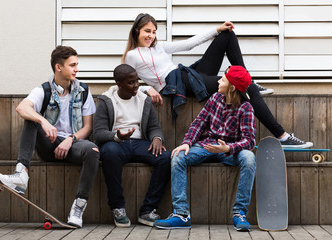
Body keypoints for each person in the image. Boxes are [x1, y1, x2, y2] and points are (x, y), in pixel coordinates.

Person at [122, 13, 312, 148]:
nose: (151, 36)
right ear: (137, 30)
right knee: (248, 90)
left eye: (154, 32)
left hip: (191, 74)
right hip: (179, 83)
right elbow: (122, 82)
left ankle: (247, 80)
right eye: (147, 31)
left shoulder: (159, 47)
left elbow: (189, 44)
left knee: (226, 35)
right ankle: (283, 136)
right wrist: (147, 89)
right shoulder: (131, 56)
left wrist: (217, 29)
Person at [0, 46, 99, 228]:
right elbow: (22, 108)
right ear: (59, 67)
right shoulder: (44, 90)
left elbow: (88, 127)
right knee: (31, 119)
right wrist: (43, 121)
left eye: (77, 65)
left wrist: (70, 139)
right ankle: (21, 175)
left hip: (73, 146)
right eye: (72, 65)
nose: (77, 69)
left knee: (93, 150)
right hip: (49, 145)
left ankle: (78, 207)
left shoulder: (83, 90)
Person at [154, 66, 256, 231]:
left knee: (249, 158)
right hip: (207, 145)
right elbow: (199, 123)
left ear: (232, 87)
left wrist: (228, 148)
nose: (218, 81)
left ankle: (240, 214)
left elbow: (250, 140)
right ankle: (181, 214)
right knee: (178, 156)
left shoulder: (246, 108)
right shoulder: (215, 98)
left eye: (223, 79)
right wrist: (187, 142)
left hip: (231, 151)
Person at [93, 64, 171, 228]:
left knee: (165, 157)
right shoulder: (106, 101)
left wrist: (157, 138)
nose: (136, 85)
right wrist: (116, 136)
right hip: (116, 143)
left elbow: (153, 127)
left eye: (137, 81)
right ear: (119, 84)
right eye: (131, 82)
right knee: (109, 153)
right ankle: (118, 208)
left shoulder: (144, 100)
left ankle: (147, 211)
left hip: (139, 143)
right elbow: (98, 133)